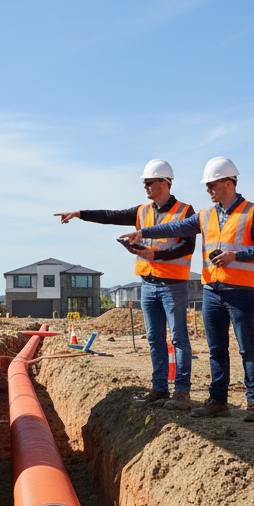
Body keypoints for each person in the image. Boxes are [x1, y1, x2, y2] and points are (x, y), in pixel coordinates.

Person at [123, 157, 254, 420]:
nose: (208, 190)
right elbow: (175, 226)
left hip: (240, 291)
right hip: (212, 290)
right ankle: (218, 400)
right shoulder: (206, 214)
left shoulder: (253, 211)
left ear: (228, 183)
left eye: (211, 185)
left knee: (247, 347)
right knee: (216, 348)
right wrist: (143, 232)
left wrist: (236, 255)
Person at [55, 159, 195, 405]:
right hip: (149, 284)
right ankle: (159, 388)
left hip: (173, 284)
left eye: (149, 182)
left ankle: (182, 392)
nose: (145, 187)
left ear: (164, 183)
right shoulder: (143, 211)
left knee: (178, 338)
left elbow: (188, 246)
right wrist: (79, 214)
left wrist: (157, 255)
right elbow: (111, 215)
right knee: (154, 338)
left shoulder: (185, 212)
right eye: (144, 183)